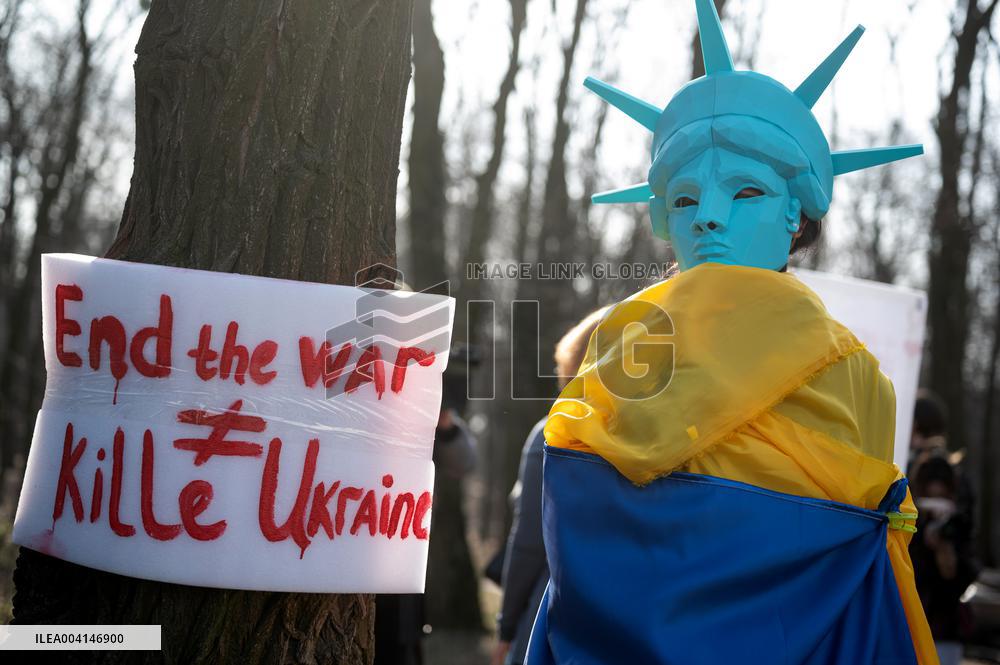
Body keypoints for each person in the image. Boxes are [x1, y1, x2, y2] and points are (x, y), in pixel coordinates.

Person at [526, 1, 936, 663]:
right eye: (684, 198)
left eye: (746, 191)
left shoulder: (858, 374)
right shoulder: (624, 344)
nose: (709, 218)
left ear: (796, 218)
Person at [493, 307, 610, 665]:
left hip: (551, 622)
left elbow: (529, 543)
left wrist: (506, 629)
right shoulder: (666, 441)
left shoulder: (554, 433)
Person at [908, 394, 979, 665]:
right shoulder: (956, 471)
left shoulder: (913, 469)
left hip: (933, 610)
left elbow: (962, 530)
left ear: (915, 425)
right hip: (939, 612)